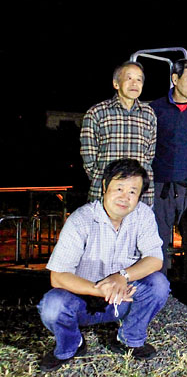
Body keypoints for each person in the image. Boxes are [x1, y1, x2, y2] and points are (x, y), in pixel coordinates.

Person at [37, 159, 169, 372]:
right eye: (119, 188)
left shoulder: (143, 215)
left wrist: (122, 276)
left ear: (140, 196)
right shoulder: (81, 220)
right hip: (82, 300)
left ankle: (129, 339)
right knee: (52, 306)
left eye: (132, 192)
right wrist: (99, 289)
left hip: (122, 297)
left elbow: (155, 259)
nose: (124, 197)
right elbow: (58, 276)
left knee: (159, 284)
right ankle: (71, 345)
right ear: (105, 186)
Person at [150, 59, 187, 277]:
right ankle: (158, 284)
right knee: (158, 237)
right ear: (175, 79)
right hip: (161, 182)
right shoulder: (155, 109)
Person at [80, 61, 156, 206]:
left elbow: (149, 155)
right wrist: (104, 179)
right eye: (129, 78)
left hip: (140, 195)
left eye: (139, 79)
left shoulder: (149, 114)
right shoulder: (97, 113)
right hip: (105, 193)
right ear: (116, 83)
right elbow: (88, 159)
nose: (135, 83)